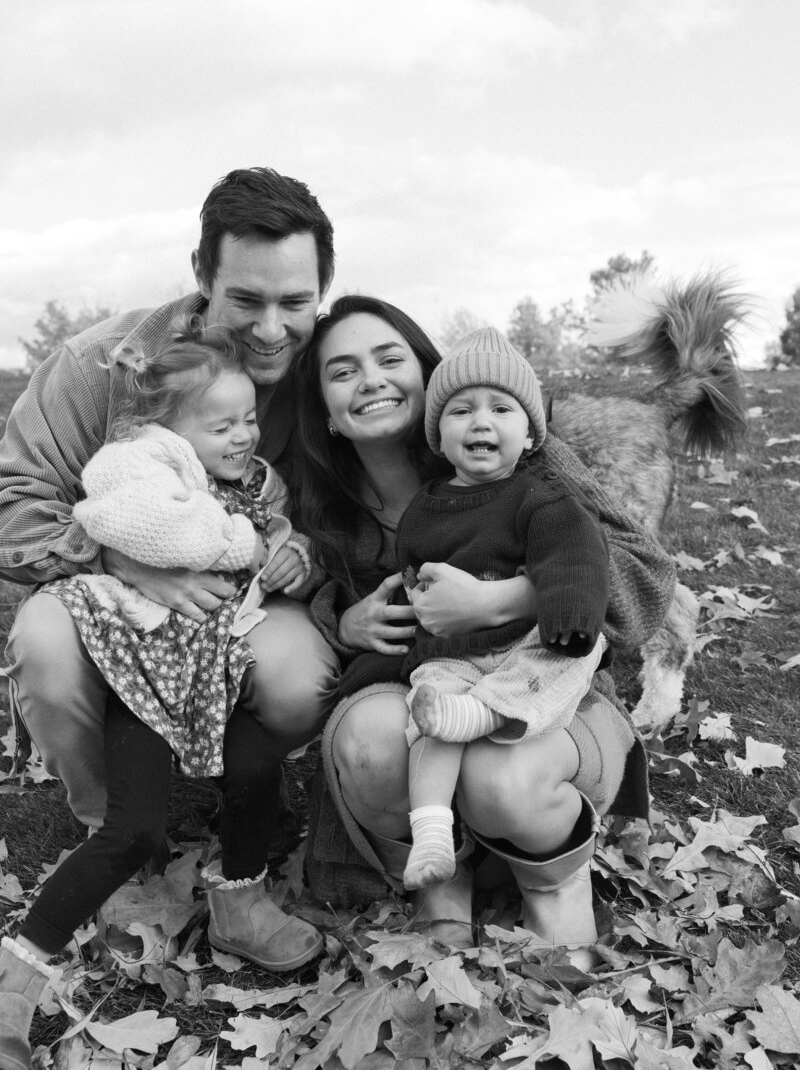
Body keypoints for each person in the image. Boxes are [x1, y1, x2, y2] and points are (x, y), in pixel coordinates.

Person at [294, 294, 676, 953]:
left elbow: (646, 575)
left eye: (390, 358)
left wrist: (501, 602)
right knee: (373, 740)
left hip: (544, 678)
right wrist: (343, 621)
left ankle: (554, 889)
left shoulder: (518, 453)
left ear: (425, 371)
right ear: (325, 408)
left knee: (502, 779)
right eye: (343, 371)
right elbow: (301, 598)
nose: (372, 380)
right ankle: (443, 881)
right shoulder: (322, 501)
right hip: (429, 673)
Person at [0, 326, 326, 1068]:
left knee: (254, 764)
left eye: (248, 419)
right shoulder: (136, 461)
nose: (243, 435)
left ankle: (238, 901)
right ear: (167, 428)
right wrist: (243, 544)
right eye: (222, 424)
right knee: (135, 829)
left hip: (211, 667)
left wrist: (286, 547)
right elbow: (145, 523)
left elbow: (283, 529)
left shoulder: (248, 478)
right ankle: (15, 979)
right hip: (143, 673)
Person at [0, 167, 339, 842]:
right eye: (246, 299)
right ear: (201, 273)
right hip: (111, 592)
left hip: (251, 603)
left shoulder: (344, 370)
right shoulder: (102, 366)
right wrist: (123, 558)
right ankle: (115, 831)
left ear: (323, 290)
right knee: (43, 647)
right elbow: (12, 505)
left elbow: (456, 425)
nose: (272, 330)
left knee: (299, 684)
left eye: (295, 302)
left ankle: (227, 782)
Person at [396, 327, 609, 891]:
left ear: (530, 434)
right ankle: (433, 831)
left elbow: (577, 557)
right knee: (430, 711)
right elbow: (413, 576)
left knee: (565, 657)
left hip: (531, 643)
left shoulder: (541, 496)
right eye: (460, 410)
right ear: (438, 437)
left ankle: (490, 714)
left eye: (501, 408)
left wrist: (568, 615)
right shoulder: (425, 508)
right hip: (457, 653)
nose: (481, 421)